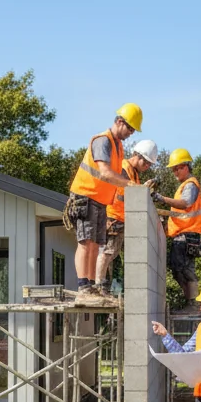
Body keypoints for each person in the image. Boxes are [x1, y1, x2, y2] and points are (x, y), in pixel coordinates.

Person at [67, 103, 142, 299]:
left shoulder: (118, 146)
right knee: (86, 242)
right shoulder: (103, 141)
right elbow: (106, 173)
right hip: (86, 196)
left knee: (95, 244)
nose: (131, 133)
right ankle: (83, 287)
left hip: (99, 200)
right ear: (119, 121)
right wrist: (130, 185)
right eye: (130, 128)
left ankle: (90, 285)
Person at [95, 138, 158, 295]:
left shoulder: (134, 173)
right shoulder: (124, 168)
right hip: (113, 217)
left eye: (150, 164)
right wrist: (142, 189)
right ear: (138, 155)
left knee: (112, 254)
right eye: (146, 163)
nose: (147, 167)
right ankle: (98, 286)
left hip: (120, 218)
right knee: (107, 252)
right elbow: (126, 192)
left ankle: (103, 287)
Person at [156, 148, 201, 306]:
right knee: (178, 270)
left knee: (185, 270)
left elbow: (185, 204)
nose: (175, 172)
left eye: (177, 168)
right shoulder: (183, 186)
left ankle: (193, 303)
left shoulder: (190, 185)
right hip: (183, 235)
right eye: (173, 169)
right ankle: (191, 301)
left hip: (187, 235)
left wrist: (162, 198)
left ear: (186, 167)